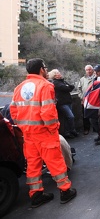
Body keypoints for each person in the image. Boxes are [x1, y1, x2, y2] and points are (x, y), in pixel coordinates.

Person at [10, 58, 76, 208]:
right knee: (56, 162)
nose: (46, 70)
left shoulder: (19, 88)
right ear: (41, 69)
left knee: (33, 165)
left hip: (28, 134)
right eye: (45, 68)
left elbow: (13, 111)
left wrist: (24, 127)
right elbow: (48, 112)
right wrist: (53, 128)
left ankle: (36, 195)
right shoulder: (46, 85)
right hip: (45, 133)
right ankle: (65, 191)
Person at [48, 69, 78, 139]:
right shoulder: (56, 83)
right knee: (70, 116)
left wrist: (68, 86)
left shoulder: (62, 81)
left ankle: (69, 132)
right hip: (62, 103)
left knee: (68, 117)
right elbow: (67, 88)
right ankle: (71, 131)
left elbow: (71, 87)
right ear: (55, 75)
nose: (60, 74)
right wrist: (68, 86)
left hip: (67, 101)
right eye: (58, 73)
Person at [77, 65, 94, 135]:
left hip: (94, 99)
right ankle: (86, 128)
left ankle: (96, 128)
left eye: (90, 69)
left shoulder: (96, 78)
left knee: (96, 114)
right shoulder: (82, 79)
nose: (88, 71)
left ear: (92, 70)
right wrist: (82, 97)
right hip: (85, 100)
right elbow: (79, 90)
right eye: (87, 70)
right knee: (85, 115)